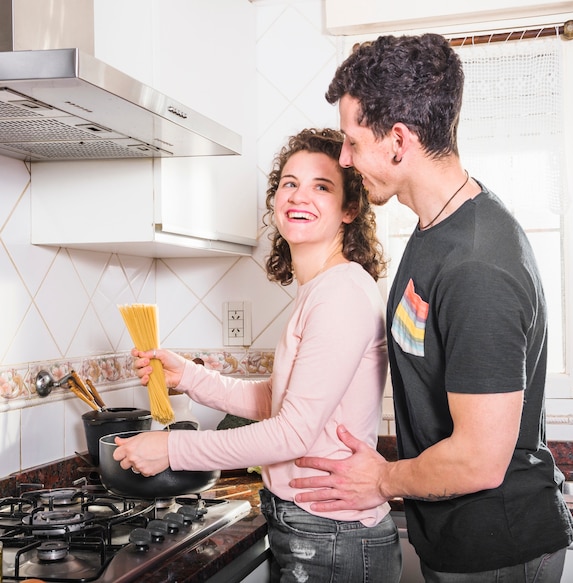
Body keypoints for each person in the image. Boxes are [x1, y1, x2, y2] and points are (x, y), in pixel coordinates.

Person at [289, 34, 573, 582]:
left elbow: (479, 460)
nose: (345, 159)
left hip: (499, 547)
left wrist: (380, 480)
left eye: (351, 142)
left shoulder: (478, 265)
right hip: (456, 537)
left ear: (398, 140)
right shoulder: (435, 227)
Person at [113, 128, 402, 583]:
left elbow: (292, 433)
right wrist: (188, 376)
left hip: (333, 535)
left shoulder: (341, 293)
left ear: (350, 209)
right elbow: (279, 401)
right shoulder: (321, 290)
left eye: (320, 186)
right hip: (316, 528)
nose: (298, 195)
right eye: (289, 183)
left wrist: (173, 448)